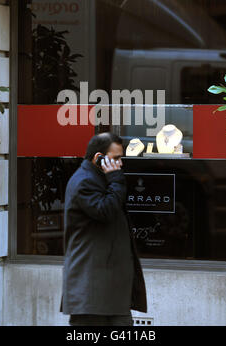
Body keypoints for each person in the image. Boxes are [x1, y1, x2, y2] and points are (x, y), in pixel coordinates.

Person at [60, 132, 147, 326]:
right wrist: (116, 180)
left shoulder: (99, 179)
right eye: (116, 158)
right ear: (98, 158)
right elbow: (105, 211)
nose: (120, 164)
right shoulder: (85, 182)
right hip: (91, 292)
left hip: (109, 289)